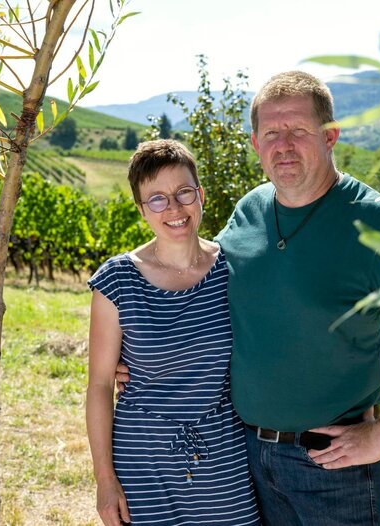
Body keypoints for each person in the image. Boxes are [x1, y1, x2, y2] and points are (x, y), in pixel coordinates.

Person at [118, 71, 380, 525]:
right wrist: (141, 355)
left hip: (331, 466)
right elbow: (201, 294)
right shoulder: (249, 212)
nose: (283, 144)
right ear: (255, 144)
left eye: (299, 130)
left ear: (331, 136)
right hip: (241, 458)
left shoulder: (375, 224)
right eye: (271, 133)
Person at [86, 139, 261, 526]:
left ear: (200, 195)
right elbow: (99, 385)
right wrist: (104, 479)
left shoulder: (233, 269)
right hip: (141, 458)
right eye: (158, 199)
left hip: (223, 452)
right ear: (141, 209)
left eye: (183, 192)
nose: (175, 208)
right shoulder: (117, 280)